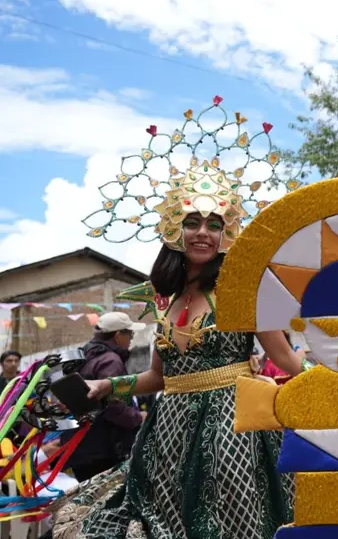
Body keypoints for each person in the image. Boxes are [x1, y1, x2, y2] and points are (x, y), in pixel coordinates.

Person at [52, 99, 305, 539]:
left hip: (233, 430)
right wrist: (103, 386)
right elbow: (158, 377)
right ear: (175, 229)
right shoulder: (164, 298)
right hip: (167, 433)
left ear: (229, 234)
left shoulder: (242, 288)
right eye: (192, 221)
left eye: (214, 223)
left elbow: (284, 358)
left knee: (233, 524)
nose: (203, 232)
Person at [61, 313, 146, 482]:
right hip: (103, 448)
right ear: (117, 335)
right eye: (129, 334)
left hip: (78, 445)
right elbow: (112, 405)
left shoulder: (81, 356)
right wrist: (138, 417)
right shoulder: (110, 361)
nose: (131, 339)